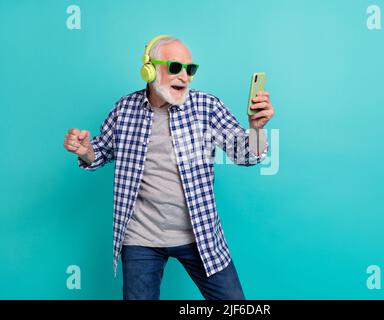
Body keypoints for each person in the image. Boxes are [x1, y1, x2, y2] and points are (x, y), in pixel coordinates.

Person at [63, 35, 275, 300]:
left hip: (200, 235)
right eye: (175, 67)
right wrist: (85, 150)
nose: (184, 76)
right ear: (149, 69)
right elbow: (101, 153)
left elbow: (246, 155)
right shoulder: (124, 109)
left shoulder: (206, 106)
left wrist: (256, 130)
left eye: (190, 69)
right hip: (141, 238)